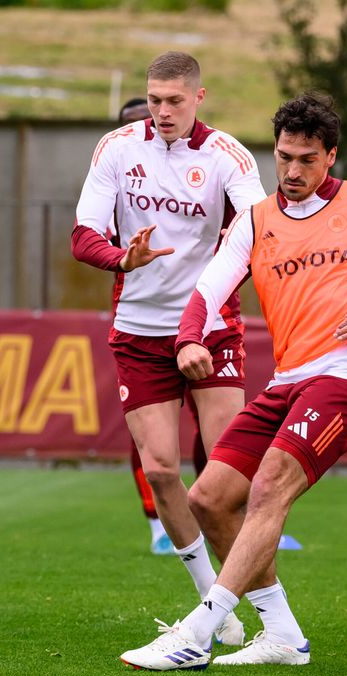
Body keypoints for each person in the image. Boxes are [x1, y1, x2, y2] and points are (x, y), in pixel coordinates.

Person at [118, 92, 347, 670]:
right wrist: (190, 337)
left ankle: (200, 628)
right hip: (288, 381)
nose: (292, 172)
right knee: (210, 500)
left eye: (307, 160)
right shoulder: (255, 219)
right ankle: (283, 635)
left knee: (267, 490)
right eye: (284, 157)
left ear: (331, 157)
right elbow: (207, 292)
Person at [72, 52, 268, 647]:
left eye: (173, 101)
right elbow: (84, 235)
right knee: (161, 470)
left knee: (227, 478)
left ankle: (266, 617)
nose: (161, 111)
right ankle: (218, 607)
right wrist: (121, 258)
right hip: (136, 329)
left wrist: (205, 311)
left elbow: (262, 234)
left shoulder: (229, 157)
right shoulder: (116, 149)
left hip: (210, 328)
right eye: (153, 100)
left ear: (199, 97)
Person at [114, 96, 207, 556]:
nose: (156, 121)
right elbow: (88, 237)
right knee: (153, 447)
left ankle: (221, 513)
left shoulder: (207, 166)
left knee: (218, 435)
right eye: (142, 117)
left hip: (203, 322)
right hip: (141, 323)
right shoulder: (114, 175)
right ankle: (157, 523)